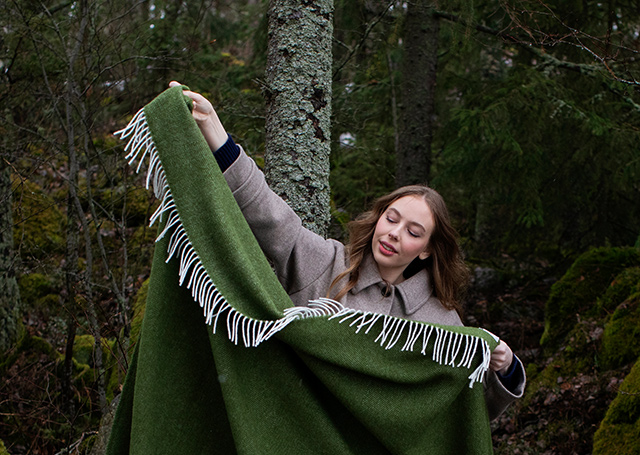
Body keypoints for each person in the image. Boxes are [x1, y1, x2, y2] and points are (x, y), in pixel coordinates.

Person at [168, 81, 525, 419]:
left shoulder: (440, 324)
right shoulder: (326, 264)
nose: (395, 233)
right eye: (391, 218)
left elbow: (460, 417)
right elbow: (270, 217)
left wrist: (506, 370)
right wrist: (216, 132)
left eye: (413, 232)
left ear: (428, 250)